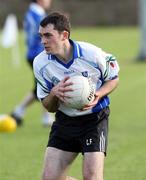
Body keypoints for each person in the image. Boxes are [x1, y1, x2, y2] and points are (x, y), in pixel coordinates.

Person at [33, 12, 120, 180]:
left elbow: (113, 79)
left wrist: (98, 94)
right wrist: (54, 93)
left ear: (64, 35)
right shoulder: (41, 63)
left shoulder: (92, 54)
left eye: (48, 35)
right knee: (50, 178)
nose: (43, 41)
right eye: (41, 36)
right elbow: (48, 106)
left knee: (92, 177)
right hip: (65, 121)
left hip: (94, 120)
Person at [11, 0, 54, 126]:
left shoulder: (32, 12)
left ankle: (19, 111)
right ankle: (44, 117)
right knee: (44, 85)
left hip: (32, 53)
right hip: (38, 54)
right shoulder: (39, 15)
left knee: (42, 85)